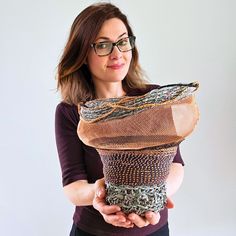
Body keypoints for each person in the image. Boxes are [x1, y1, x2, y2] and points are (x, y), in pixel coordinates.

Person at [55, 2, 184, 236]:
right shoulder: (70, 111)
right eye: (103, 45)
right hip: (93, 231)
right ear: (83, 54)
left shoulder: (154, 99)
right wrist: (99, 194)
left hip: (154, 229)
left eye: (123, 42)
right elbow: (73, 186)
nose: (117, 54)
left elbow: (175, 164)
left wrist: (154, 197)